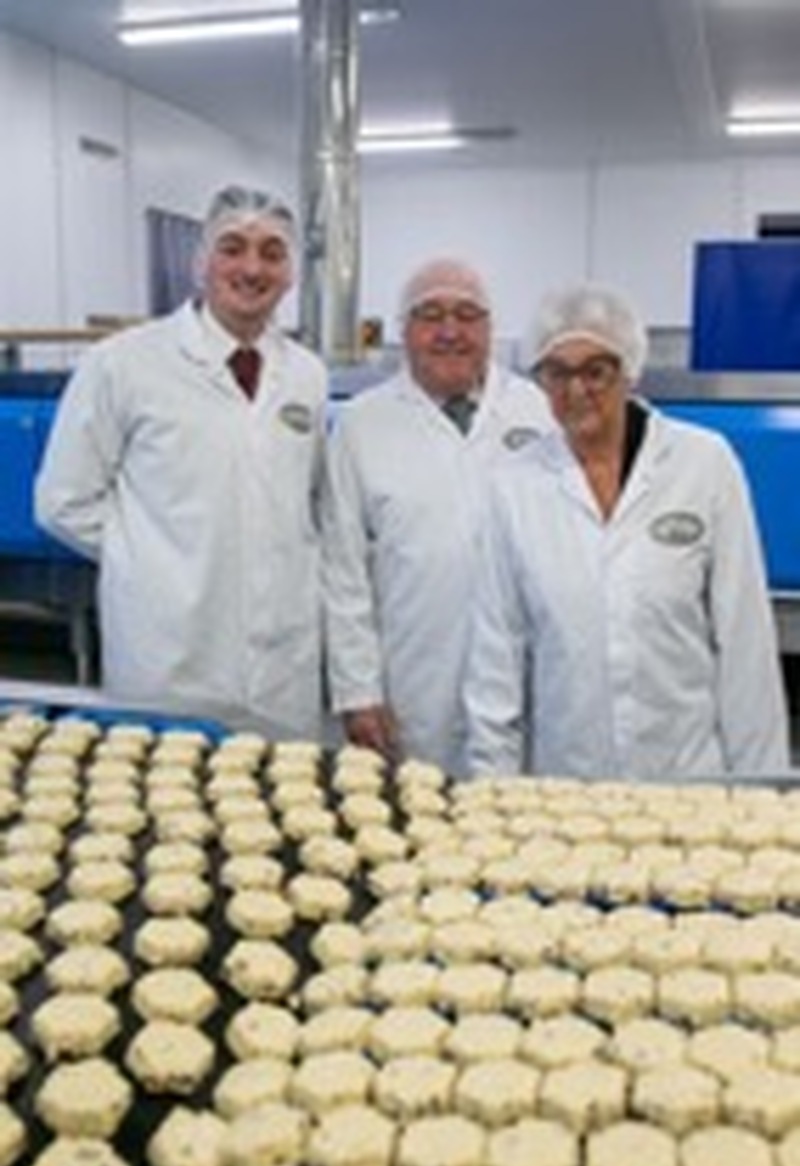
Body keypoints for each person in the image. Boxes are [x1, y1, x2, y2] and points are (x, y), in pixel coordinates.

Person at [464, 282, 790, 781]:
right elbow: (496, 658)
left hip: (688, 781)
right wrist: (490, 790)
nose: (576, 390)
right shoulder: (514, 486)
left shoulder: (703, 464)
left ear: (629, 371)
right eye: (557, 373)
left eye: (596, 370)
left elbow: (744, 642)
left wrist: (760, 788)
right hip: (568, 787)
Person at [35, 184, 328, 739]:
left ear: (290, 274)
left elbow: (307, 502)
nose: (251, 267)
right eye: (232, 247)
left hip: (283, 667)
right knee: (166, 809)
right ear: (201, 263)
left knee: (282, 807)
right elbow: (62, 502)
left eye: (272, 252)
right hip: (169, 658)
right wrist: (151, 562)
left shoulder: (307, 375)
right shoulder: (122, 364)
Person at [322, 257, 553, 777]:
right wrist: (357, 690)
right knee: (416, 826)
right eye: (430, 315)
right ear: (403, 332)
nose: (451, 331)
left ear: (491, 329)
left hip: (531, 676)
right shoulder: (362, 424)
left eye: (468, 314)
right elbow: (343, 570)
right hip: (412, 679)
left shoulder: (536, 411)